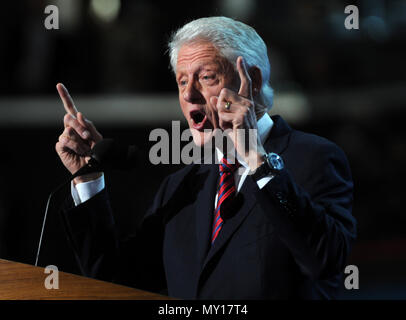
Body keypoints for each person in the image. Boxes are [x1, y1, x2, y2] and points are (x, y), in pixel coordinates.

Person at [55, 16, 356, 299]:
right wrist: (87, 177)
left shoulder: (314, 158)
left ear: (250, 80)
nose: (188, 95)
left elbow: (325, 261)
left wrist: (256, 158)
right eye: (182, 81)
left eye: (206, 77)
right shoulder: (182, 186)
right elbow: (116, 279)